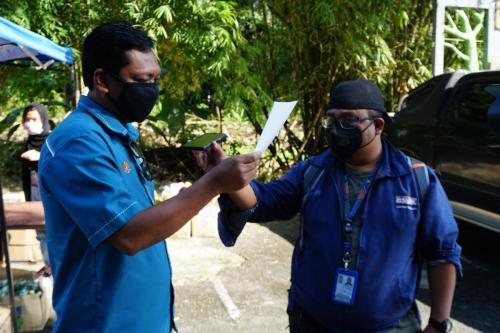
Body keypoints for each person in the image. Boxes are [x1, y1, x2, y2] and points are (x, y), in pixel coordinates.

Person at [38, 21, 259, 333]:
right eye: (141, 80)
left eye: (155, 79)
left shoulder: (118, 134)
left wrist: (215, 178)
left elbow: (147, 219)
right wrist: (211, 184)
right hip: (106, 324)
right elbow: (130, 235)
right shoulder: (79, 143)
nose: (151, 90)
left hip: (146, 320)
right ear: (102, 80)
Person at [199, 79, 462, 333]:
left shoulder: (417, 180)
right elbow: (265, 201)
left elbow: (443, 253)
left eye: (348, 120)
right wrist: (226, 178)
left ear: (378, 125)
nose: (336, 128)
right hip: (312, 323)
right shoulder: (313, 172)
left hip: (388, 327)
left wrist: (439, 324)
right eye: (331, 120)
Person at [21, 103, 52, 275]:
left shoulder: (52, 141)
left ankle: (56, 265)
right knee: (40, 233)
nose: (29, 122)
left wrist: (39, 156)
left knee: (52, 230)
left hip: (50, 194)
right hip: (34, 194)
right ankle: (48, 264)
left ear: (43, 120)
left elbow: (61, 162)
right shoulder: (28, 143)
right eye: (27, 119)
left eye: (34, 119)